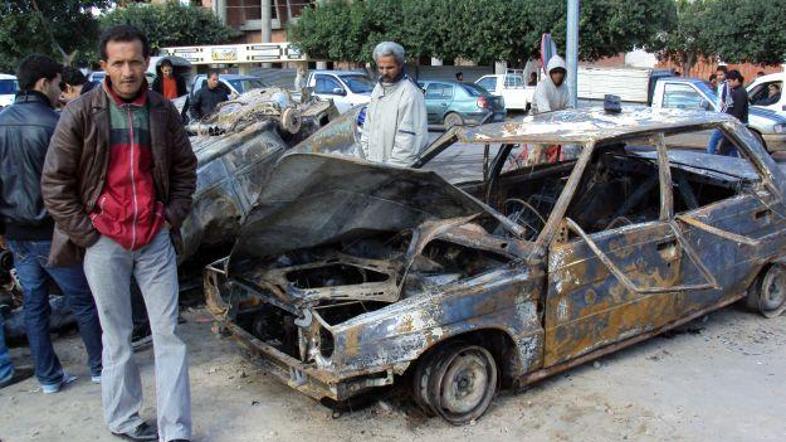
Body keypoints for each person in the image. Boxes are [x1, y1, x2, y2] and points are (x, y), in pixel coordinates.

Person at [42, 25, 196, 442]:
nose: (128, 71)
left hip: (154, 238)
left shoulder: (163, 112)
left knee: (168, 335)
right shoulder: (81, 112)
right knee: (118, 338)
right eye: (118, 63)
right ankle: (125, 422)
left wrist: (170, 217)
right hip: (104, 241)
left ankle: (175, 430)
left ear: (147, 62)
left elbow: (186, 171)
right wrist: (87, 231)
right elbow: (55, 183)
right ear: (103, 66)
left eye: (134, 62)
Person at [0, 55, 103, 394]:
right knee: (83, 301)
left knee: (34, 305)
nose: (63, 89)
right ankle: (101, 367)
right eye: (59, 83)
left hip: (16, 235)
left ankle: (48, 378)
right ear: (44, 82)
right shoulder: (55, 124)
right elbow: (77, 182)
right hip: (54, 234)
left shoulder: (1, 123)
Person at [359, 41, 428, 166]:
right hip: (375, 168)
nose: (384, 72)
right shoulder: (378, 89)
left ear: (400, 65)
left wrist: (390, 172)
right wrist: (367, 159)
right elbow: (367, 129)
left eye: (390, 67)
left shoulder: (410, 94)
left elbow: (408, 143)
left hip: (395, 174)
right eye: (381, 67)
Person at [717, 70, 748, 157]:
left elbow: (737, 112)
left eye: (730, 81)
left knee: (724, 150)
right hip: (733, 125)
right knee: (731, 150)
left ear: (737, 80)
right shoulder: (735, 91)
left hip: (735, 126)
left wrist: (730, 123)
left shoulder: (740, 93)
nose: (729, 84)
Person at [707, 65, 732, 154]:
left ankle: (710, 159)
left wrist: (722, 116)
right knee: (731, 143)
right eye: (717, 75)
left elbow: (728, 103)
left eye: (721, 75)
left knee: (712, 141)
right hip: (720, 116)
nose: (719, 77)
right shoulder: (721, 85)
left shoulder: (727, 86)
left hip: (722, 118)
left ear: (726, 75)